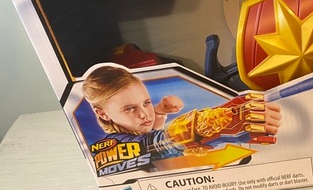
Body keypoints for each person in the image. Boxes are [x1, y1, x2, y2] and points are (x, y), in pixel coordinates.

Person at [81, 64, 282, 162]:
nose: (144, 114)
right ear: (103, 114)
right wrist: (203, 124)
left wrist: (159, 113)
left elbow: (151, 138)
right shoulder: (112, 145)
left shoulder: (136, 130)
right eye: (129, 108)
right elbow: (152, 145)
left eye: (146, 103)